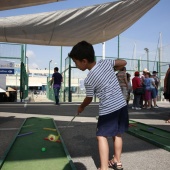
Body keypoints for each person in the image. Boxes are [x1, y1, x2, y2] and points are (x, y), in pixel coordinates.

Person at [68, 41, 129, 170]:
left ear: (84, 61)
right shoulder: (105, 63)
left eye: (75, 62)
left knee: (101, 136)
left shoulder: (89, 79)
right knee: (117, 134)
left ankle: (103, 167)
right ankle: (117, 161)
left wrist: (81, 107)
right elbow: (123, 62)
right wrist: (113, 68)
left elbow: (89, 98)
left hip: (108, 109)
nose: (76, 65)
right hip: (121, 105)